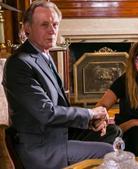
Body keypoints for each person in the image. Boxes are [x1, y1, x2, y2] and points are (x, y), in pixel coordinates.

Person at [1, 1, 121, 169]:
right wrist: (90, 113)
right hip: (41, 146)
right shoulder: (19, 63)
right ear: (27, 28)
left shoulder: (44, 55)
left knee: (112, 131)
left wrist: (90, 121)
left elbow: (59, 107)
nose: (52, 30)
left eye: (55, 24)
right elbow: (47, 113)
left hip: (58, 134)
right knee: (108, 151)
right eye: (44, 24)